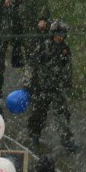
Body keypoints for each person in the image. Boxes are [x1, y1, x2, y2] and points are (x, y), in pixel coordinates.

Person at [26, 17, 75, 154]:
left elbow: (68, 68)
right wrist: (29, 82)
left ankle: (66, 140)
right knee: (39, 112)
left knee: (62, 114)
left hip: (57, 87)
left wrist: (67, 84)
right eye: (57, 34)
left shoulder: (65, 50)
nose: (60, 37)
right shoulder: (44, 47)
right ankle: (34, 134)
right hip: (42, 86)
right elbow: (32, 64)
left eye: (62, 35)